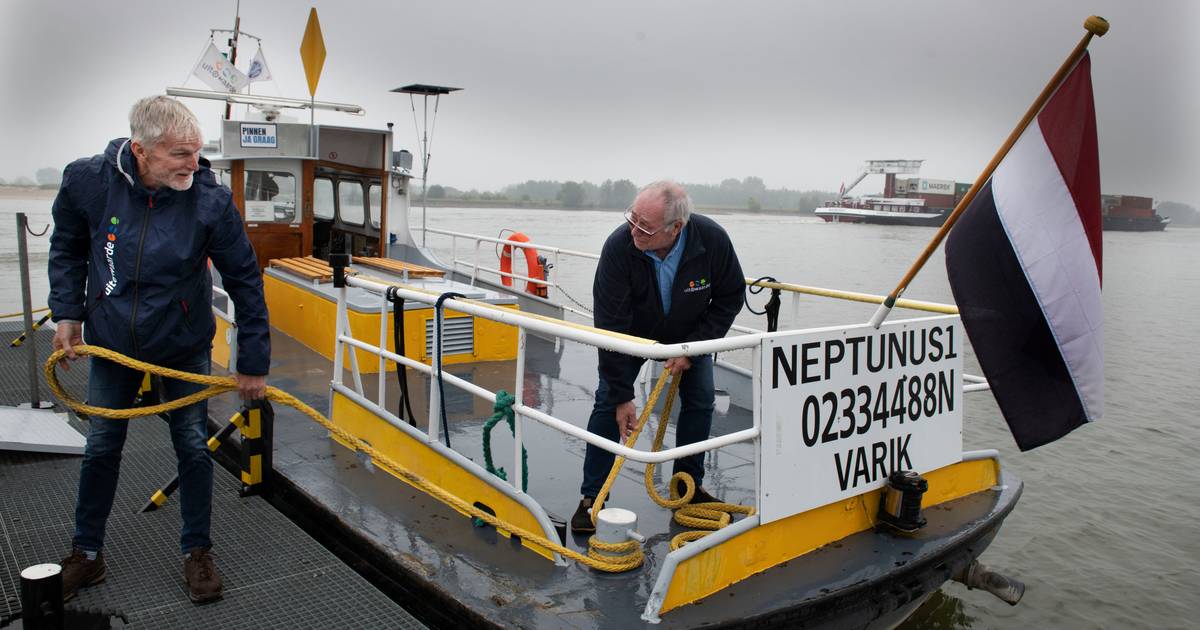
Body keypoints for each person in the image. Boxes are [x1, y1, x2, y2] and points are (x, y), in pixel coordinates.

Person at [47, 95, 271, 603]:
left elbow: (245, 281)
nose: (194, 165)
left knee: (192, 446)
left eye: (196, 152)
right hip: (111, 344)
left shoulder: (210, 201)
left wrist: (252, 361)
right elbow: (67, 248)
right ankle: (87, 554)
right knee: (102, 446)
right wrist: (68, 315)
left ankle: (197, 551)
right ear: (140, 150)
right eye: (179, 155)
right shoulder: (89, 182)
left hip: (182, 343)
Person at [571, 181, 744, 534]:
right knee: (607, 403)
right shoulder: (620, 247)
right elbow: (610, 325)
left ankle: (687, 489)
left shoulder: (711, 240)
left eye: (645, 226)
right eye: (632, 218)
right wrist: (623, 394)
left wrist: (692, 350)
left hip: (689, 336)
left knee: (700, 401)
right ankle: (592, 497)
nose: (634, 230)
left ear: (675, 228)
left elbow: (729, 296)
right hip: (632, 334)